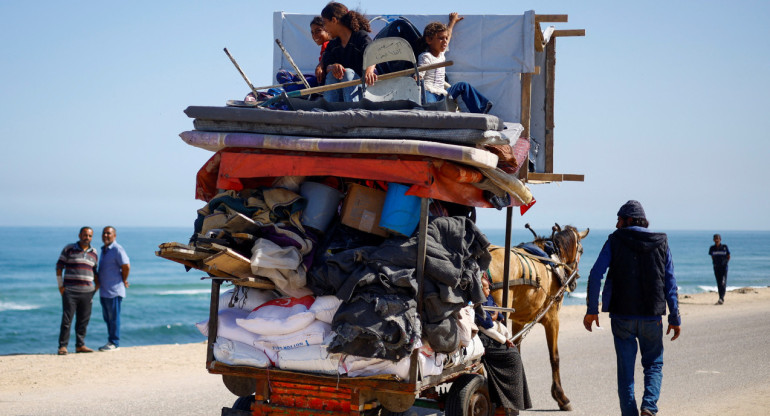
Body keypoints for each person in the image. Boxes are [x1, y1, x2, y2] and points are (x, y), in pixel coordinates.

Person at [583, 200, 682, 416]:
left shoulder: (614, 240)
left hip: (622, 317)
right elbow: (670, 281)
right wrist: (675, 317)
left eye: (619, 219)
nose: (617, 224)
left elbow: (595, 274)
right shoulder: (661, 241)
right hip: (651, 317)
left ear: (629, 219)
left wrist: (592, 310)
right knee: (654, 364)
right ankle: (649, 407)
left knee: (626, 374)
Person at [475, 276, 531, 415]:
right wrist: (495, 319)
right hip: (484, 338)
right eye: (487, 288)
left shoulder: (487, 300)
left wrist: (495, 316)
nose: (489, 290)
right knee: (513, 356)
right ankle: (505, 405)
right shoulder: (478, 301)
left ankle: (505, 403)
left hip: (489, 335)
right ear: (480, 290)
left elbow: (496, 315)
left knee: (512, 354)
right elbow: (486, 323)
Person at [418, 13, 493, 114]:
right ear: (429, 40)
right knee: (431, 109)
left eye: (445, 38)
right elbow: (420, 73)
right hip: (429, 92)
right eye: (440, 38)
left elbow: (448, 34)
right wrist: (417, 76)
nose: (445, 41)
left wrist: (452, 21)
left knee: (463, 85)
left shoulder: (441, 54)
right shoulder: (426, 56)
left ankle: (480, 109)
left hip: (442, 93)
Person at [320, 2, 377, 102]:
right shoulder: (332, 45)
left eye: (325, 23)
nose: (324, 28)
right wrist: (333, 67)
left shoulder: (360, 37)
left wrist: (369, 73)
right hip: (340, 94)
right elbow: (327, 66)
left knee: (347, 73)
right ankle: (329, 113)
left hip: (362, 92)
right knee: (331, 75)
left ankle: (353, 111)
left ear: (334, 20)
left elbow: (372, 54)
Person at [56, 227, 99, 355]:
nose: (87, 237)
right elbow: (59, 267)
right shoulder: (69, 249)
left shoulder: (94, 253)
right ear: (80, 235)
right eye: (85, 235)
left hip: (87, 291)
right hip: (70, 291)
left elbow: (95, 272)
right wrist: (60, 286)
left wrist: (95, 288)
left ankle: (80, 345)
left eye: (90, 236)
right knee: (67, 320)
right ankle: (63, 346)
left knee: (83, 320)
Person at [274, 16, 332, 92]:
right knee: (291, 77)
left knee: (282, 75)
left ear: (328, 30)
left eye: (318, 31)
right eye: (312, 32)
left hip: (321, 80)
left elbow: (324, 58)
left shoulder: (329, 44)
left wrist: (320, 66)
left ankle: (293, 92)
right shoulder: (326, 45)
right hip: (318, 78)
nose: (314, 35)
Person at [97, 226, 131, 351]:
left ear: (114, 236)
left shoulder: (117, 249)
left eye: (109, 233)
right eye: (104, 233)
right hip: (104, 291)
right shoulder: (104, 249)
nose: (106, 235)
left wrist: (124, 279)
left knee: (114, 318)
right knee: (107, 318)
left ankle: (114, 343)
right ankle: (110, 341)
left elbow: (126, 265)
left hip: (114, 291)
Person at [708, 233, 730, 305]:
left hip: (724, 268)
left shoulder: (724, 247)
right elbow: (712, 257)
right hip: (716, 268)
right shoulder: (712, 248)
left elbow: (728, 256)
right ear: (713, 240)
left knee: (723, 283)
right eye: (715, 239)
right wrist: (715, 263)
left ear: (720, 239)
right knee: (719, 283)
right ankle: (720, 297)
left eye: (718, 239)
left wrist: (725, 263)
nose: (717, 240)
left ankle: (721, 298)